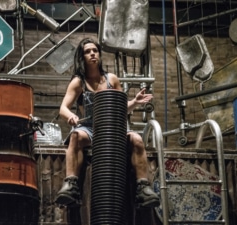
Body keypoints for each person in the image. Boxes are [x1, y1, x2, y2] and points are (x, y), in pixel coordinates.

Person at [55, 37, 160, 208]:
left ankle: (143, 188)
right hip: (90, 129)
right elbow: (63, 108)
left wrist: (134, 102)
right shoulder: (78, 82)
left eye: (95, 51)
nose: (92, 54)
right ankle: (71, 185)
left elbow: (120, 108)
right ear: (82, 57)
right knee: (75, 136)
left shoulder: (112, 79)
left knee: (137, 140)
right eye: (88, 52)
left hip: (114, 126)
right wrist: (70, 117)